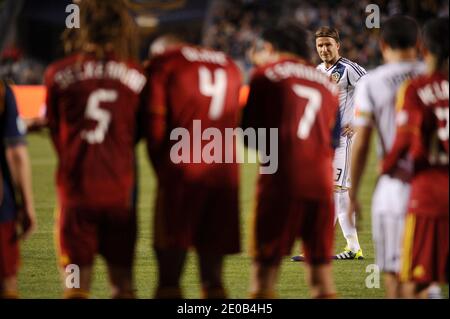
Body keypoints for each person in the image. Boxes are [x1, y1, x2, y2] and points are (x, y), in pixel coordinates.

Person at [44, 0, 147, 299]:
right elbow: (139, 133)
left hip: (76, 196)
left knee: (76, 285)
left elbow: (56, 133)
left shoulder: (57, 74)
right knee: (122, 285)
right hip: (120, 196)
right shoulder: (137, 76)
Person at [243, 22, 340, 298]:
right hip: (322, 184)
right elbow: (332, 141)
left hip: (282, 183)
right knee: (322, 281)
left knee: (263, 279)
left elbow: (250, 136)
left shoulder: (265, 75)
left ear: (270, 48)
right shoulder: (328, 85)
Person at [145, 35, 242, 299]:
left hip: (182, 174)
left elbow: (154, 130)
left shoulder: (166, 62)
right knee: (213, 280)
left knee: (168, 279)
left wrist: (162, 172)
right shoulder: (229, 64)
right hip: (224, 176)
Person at [349, 15, 424, 298]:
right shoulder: (437, 77)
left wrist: (353, 194)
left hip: (395, 187)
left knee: (395, 280)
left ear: (382, 45)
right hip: (435, 185)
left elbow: (362, 143)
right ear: (419, 44)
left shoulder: (373, 82)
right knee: (426, 277)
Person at [381, 17, 448, 299]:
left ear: (423, 48)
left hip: (431, 195)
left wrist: (386, 168)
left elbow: (407, 147)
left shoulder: (416, 88)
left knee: (415, 282)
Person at [293, 26, 366, 261]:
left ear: (338, 46)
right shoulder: (316, 71)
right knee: (341, 195)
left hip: (344, 141)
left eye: (328, 44)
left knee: (332, 191)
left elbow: (371, 93)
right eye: (320, 45)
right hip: (325, 141)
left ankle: (316, 247)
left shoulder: (350, 69)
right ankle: (354, 248)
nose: (324, 49)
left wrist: (357, 121)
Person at [0, 79, 36, 298]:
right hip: (2, 203)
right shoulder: (3, 91)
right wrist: (27, 205)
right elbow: (16, 153)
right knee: (7, 283)